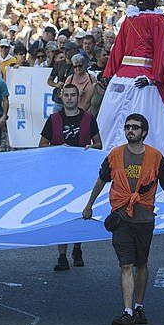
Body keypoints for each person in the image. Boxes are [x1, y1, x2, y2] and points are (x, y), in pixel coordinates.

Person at [81, 114, 164, 325]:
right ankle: (127, 312)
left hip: (144, 219)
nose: (130, 131)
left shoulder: (155, 157)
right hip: (121, 217)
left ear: (144, 132)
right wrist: (89, 205)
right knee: (126, 264)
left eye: (135, 127)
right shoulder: (115, 155)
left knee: (141, 263)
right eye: (128, 127)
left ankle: (139, 307)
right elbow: (101, 180)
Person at [97, 0, 164, 159]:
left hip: (144, 76)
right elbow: (119, 47)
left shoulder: (157, 20)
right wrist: (109, 73)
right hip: (123, 75)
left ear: (154, 0)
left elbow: (161, 50)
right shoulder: (129, 18)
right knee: (110, 117)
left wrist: (154, 78)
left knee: (143, 116)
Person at [41, 84, 101, 271]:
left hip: (82, 174)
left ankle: (77, 248)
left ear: (78, 97)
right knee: (61, 214)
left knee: (80, 212)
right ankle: (61, 256)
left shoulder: (88, 118)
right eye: (66, 95)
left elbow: (99, 143)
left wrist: (92, 148)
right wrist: (58, 149)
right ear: (61, 97)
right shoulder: (53, 119)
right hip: (59, 175)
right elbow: (42, 145)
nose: (69, 98)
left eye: (73, 95)